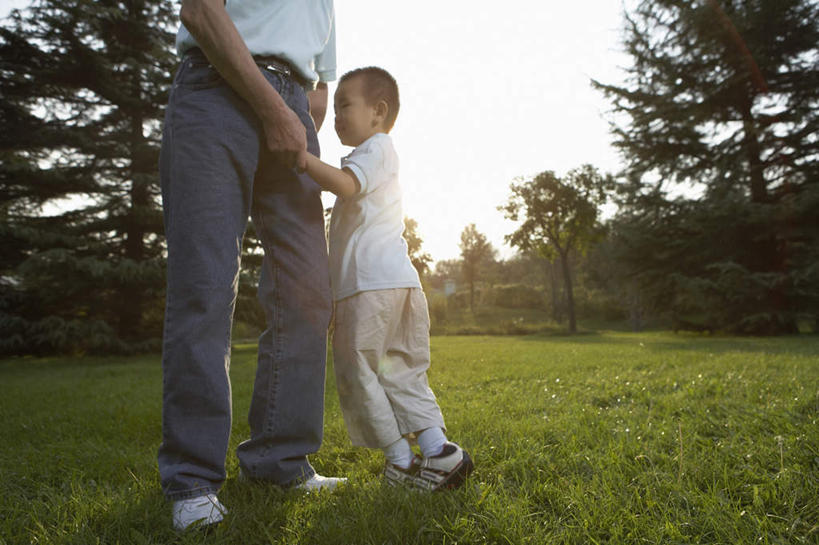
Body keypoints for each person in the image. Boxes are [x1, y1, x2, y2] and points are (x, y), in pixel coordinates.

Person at [158, 0, 344, 531]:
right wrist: (272, 109)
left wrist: (297, 119)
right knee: (206, 288)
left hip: (293, 115)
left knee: (308, 293)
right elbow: (199, 10)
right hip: (215, 89)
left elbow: (321, 79)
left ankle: (278, 462)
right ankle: (192, 479)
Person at [302, 67, 474, 491]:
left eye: (345, 105)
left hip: (368, 287)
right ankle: (438, 451)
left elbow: (344, 185)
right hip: (399, 284)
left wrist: (299, 158)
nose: (338, 116)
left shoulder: (375, 149)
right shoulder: (381, 154)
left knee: (358, 372)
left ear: (378, 112)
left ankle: (400, 460)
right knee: (401, 373)